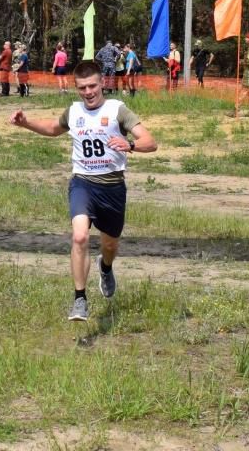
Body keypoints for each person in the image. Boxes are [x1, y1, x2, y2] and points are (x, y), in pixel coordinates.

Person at [10, 60, 157, 322]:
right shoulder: (74, 111)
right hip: (83, 183)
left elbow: (150, 141)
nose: (88, 92)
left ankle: (106, 267)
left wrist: (131, 146)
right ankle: (80, 299)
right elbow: (53, 129)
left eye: (92, 86)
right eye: (82, 88)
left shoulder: (117, 110)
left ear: (102, 83)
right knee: (79, 237)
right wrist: (26, 123)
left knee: (109, 245)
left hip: (112, 187)